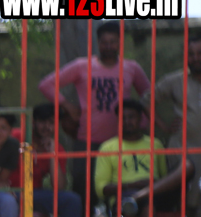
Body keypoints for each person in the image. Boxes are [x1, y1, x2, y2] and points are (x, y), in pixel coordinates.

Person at [39, 21, 150, 206]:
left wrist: (142, 124)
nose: (108, 46)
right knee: (83, 193)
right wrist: (67, 106)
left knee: (120, 195)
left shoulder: (131, 68)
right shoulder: (82, 66)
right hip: (87, 140)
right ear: (98, 43)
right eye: (104, 42)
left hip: (121, 142)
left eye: (113, 42)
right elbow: (46, 85)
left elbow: (149, 96)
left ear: (120, 42)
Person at [95, 99, 169, 217]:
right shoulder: (108, 147)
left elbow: (165, 178)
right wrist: (132, 185)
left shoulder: (155, 144)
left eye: (132, 117)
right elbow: (101, 188)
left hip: (155, 194)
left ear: (141, 119)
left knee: (148, 200)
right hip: (123, 197)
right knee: (145, 204)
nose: (127, 121)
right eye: (123, 118)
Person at [152, 37, 201, 217]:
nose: (195, 58)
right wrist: (162, 125)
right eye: (191, 54)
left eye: (200, 53)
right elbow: (147, 100)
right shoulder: (175, 81)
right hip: (183, 153)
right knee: (192, 204)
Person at [30, 103, 85, 217]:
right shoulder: (17, 137)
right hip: (10, 192)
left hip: (35, 194)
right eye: (42, 122)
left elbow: (59, 186)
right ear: (33, 122)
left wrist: (52, 153)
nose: (47, 127)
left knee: (72, 200)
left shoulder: (56, 147)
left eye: (51, 123)